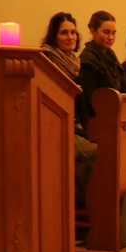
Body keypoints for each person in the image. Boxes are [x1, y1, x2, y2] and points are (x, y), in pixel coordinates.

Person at [41, 11, 95, 207]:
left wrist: (90, 130)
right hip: (54, 126)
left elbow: (81, 105)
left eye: (73, 32)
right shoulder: (46, 60)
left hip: (75, 124)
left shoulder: (74, 63)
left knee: (102, 145)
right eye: (64, 33)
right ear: (54, 36)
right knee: (92, 152)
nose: (70, 37)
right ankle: (78, 202)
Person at [78, 10, 125, 130]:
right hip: (99, 119)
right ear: (93, 31)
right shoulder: (88, 59)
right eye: (106, 32)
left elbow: (123, 85)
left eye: (114, 33)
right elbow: (89, 99)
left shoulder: (111, 55)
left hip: (114, 115)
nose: (111, 37)